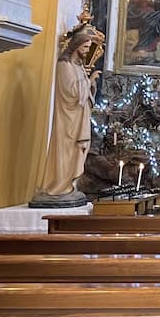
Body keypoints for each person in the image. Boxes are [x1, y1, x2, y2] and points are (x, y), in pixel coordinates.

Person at [35, 25, 102, 204]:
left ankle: (68, 186)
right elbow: (71, 93)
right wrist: (90, 81)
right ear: (76, 45)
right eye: (85, 47)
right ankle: (57, 186)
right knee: (64, 152)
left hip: (79, 116)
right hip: (68, 119)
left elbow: (82, 90)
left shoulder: (78, 66)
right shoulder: (64, 65)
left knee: (76, 152)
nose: (87, 51)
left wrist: (90, 84)